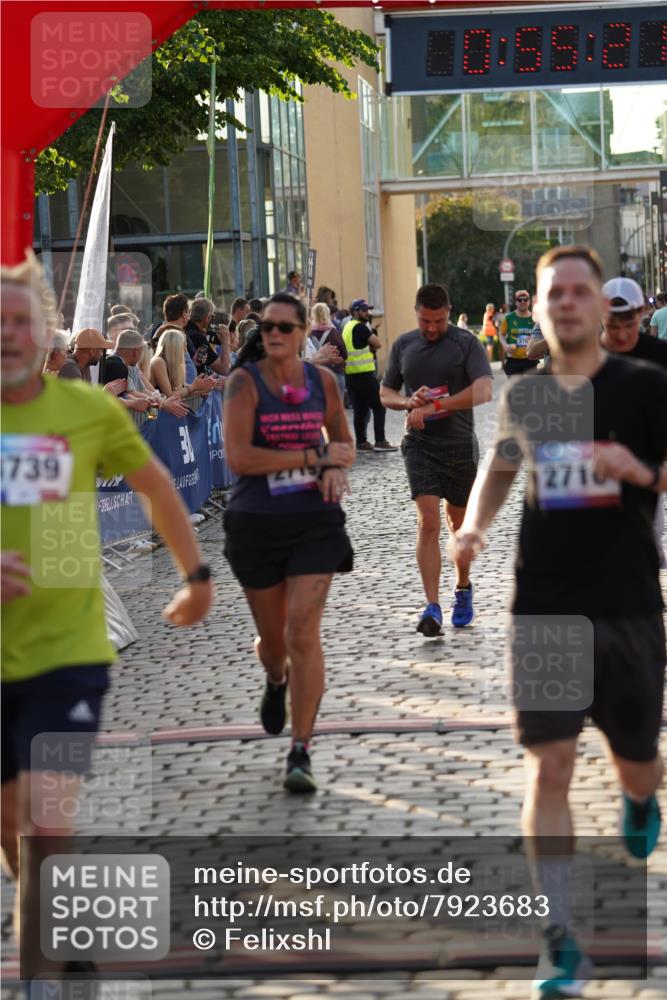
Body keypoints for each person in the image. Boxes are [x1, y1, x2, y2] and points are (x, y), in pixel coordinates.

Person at [451, 245, 666, 999]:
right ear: (537, 309)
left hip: (630, 603)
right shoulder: (527, 395)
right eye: (555, 294)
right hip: (544, 602)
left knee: (637, 759)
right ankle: (559, 936)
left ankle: (641, 797)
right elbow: (500, 467)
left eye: (582, 290)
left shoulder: (644, 387)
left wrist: (636, 470)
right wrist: (474, 526)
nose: (569, 303)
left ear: (600, 307)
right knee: (549, 763)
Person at [1, 253, 214, 985]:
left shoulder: (85, 411)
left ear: (46, 336)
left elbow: (155, 487)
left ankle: (39, 969)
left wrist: (196, 574)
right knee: (14, 826)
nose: (7, 335)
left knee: (45, 816)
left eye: (19, 322)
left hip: (69, 651)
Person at [222, 292, 355, 793]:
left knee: (303, 632)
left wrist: (336, 464)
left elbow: (342, 444)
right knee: (274, 643)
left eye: (284, 327)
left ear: (304, 334)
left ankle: (301, 749)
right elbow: (240, 458)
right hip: (256, 523)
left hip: (314, 522)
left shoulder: (322, 381)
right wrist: (310, 457)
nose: (274, 334)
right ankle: (275, 679)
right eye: (267, 327)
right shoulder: (244, 384)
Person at [380, 283, 493, 635]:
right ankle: (432, 607)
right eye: (425, 320)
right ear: (417, 313)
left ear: (449, 312)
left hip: (459, 444)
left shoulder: (466, 343)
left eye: (439, 321)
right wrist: (408, 403)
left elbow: (485, 389)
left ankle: (462, 587)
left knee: (458, 526)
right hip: (419, 445)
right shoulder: (404, 345)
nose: (431, 327)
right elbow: (387, 392)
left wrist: (437, 406)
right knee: (428, 521)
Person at [601, 276, 667, 569]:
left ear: (641, 313)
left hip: (648, 458)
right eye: (613, 325)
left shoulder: (659, 354)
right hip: (597, 462)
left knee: (647, 536)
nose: (622, 334)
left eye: (628, 324)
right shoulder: (584, 355)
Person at [342, 299, 395, 452]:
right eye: (364, 310)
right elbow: (377, 343)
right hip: (364, 374)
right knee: (379, 406)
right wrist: (371, 347)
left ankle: (361, 442)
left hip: (351, 375)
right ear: (356, 311)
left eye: (368, 310)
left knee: (360, 409)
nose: (367, 313)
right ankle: (380, 441)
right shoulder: (360, 327)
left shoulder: (347, 326)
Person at [102, 328, 188, 421]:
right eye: (142, 352)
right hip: (122, 424)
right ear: (136, 352)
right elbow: (126, 395)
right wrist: (159, 404)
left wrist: (158, 401)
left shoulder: (128, 366)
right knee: (151, 422)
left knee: (152, 421)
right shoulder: (118, 366)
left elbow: (142, 390)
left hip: (128, 421)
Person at [149, 327, 215, 400]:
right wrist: (194, 387)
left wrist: (202, 389)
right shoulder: (158, 362)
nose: (185, 351)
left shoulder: (167, 362)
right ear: (175, 347)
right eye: (183, 346)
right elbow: (170, 395)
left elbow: (180, 391)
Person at [185, 297, 229, 376]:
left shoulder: (185, 329)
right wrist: (225, 342)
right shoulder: (198, 337)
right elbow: (224, 369)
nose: (213, 320)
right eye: (212, 316)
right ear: (206, 317)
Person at [498, 290, 538, 378]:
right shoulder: (508, 318)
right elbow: (501, 334)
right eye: (520, 300)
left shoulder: (535, 318)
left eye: (525, 299)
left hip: (531, 360)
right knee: (516, 389)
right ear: (516, 302)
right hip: (513, 360)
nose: (523, 302)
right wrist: (505, 345)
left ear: (529, 301)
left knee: (530, 389)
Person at [309, 302, 346, 396]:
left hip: (317, 374)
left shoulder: (309, 333)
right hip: (335, 373)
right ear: (327, 314)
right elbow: (345, 354)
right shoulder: (334, 332)